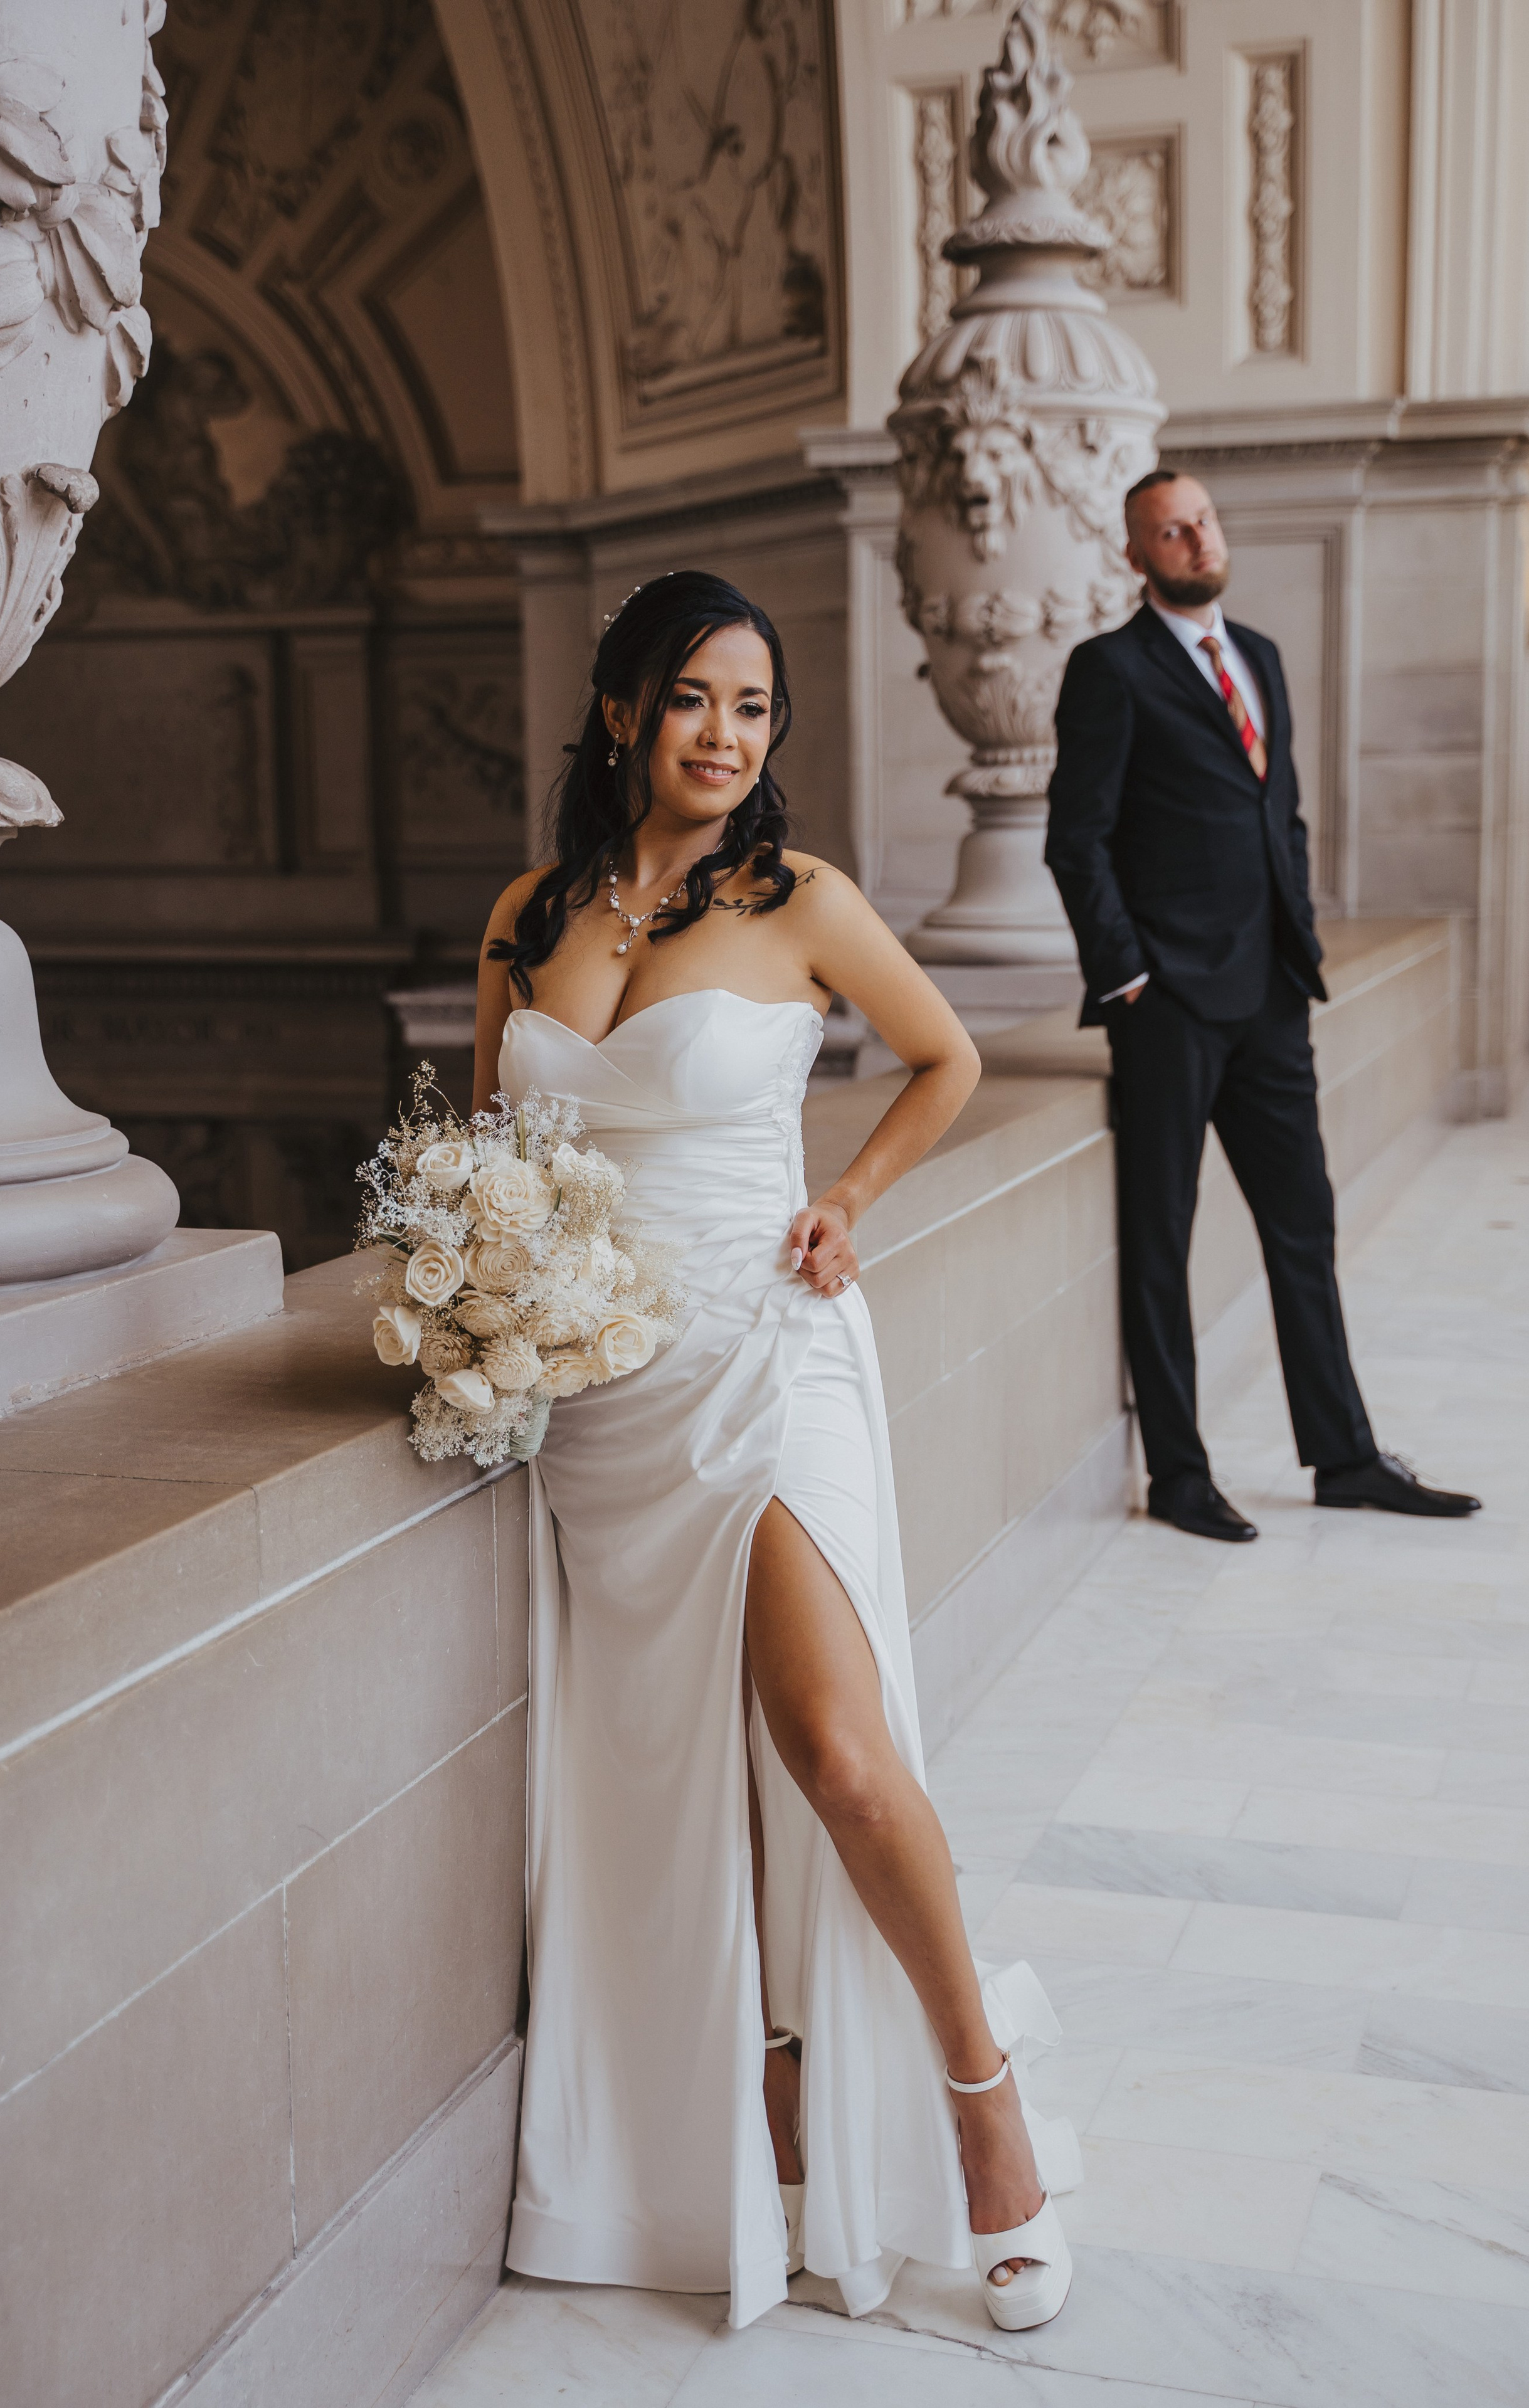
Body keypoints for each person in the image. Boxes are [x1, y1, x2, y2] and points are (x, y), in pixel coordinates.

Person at [472, 571, 1080, 2333]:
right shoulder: (528, 914)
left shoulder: (799, 899)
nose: (725, 736)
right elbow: (482, 1148)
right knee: (675, 1777)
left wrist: (848, 1199)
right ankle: (777, 2098)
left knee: (832, 1745)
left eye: (753, 707)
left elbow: (946, 1057)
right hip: (598, 1409)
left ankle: (983, 2111)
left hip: (764, 1353)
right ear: (620, 711)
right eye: (692, 698)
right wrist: (473, 1296)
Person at [1045, 468, 1480, 1542]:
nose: (1197, 540)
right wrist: (1128, 976)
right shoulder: (1111, 669)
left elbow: (1277, 810)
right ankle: (1179, 1476)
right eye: (1171, 532)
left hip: (1272, 994)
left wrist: (1303, 935)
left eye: (1203, 521)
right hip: (1169, 1006)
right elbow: (1077, 838)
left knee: (1304, 1224)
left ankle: (1345, 1457)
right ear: (1137, 557)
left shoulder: (1262, 656)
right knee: (1163, 1239)